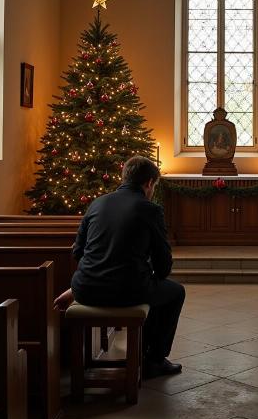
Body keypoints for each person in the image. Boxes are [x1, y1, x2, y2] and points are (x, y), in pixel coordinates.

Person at [53, 155, 185, 378]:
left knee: (150, 288)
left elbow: (77, 251)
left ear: (124, 177)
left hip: (85, 289)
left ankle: (143, 353)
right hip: (126, 291)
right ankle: (154, 359)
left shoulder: (98, 203)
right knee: (174, 292)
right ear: (149, 183)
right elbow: (163, 267)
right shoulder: (150, 210)